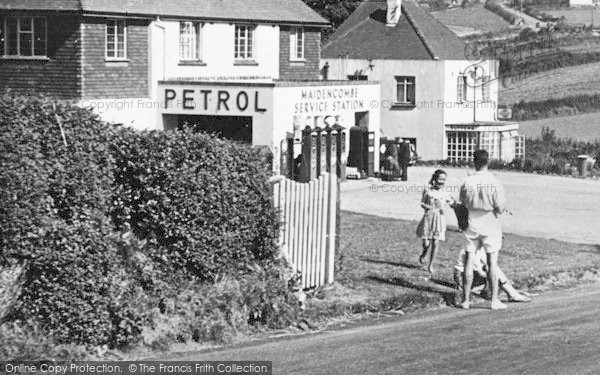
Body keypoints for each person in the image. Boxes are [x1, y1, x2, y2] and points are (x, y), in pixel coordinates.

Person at [458, 149, 507, 310]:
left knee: (469, 260)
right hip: (489, 220)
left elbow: (462, 203)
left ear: (474, 162)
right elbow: (499, 209)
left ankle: (465, 300)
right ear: (488, 162)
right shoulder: (495, 182)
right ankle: (494, 300)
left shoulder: (467, 181)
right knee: (492, 262)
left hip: (472, 220)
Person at [454, 248, 531, 305]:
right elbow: (481, 272)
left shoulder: (480, 248)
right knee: (491, 270)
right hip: (462, 277)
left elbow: (491, 267)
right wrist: (499, 280)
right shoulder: (474, 249)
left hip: (470, 276)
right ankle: (512, 294)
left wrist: (504, 280)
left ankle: (511, 292)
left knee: (492, 268)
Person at [416, 169, 455, 277]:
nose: (441, 182)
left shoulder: (446, 192)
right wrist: (428, 207)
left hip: (439, 219)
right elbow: (422, 203)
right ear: (435, 178)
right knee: (426, 243)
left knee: (436, 242)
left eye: (444, 180)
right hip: (428, 218)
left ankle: (430, 265)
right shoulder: (428, 190)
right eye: (440, 179)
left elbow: (452, 203)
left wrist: (455, 204)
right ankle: (424, 254)